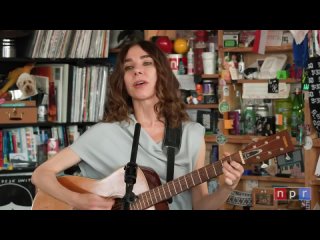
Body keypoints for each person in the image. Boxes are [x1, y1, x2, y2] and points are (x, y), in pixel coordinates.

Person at [31, 40, 244, 210]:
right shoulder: (104, 133)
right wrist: (77, 200)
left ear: (162, 72)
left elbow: (200, 205)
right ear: (123, 81)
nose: (137, 71)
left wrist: (227, 187)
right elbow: (40, 174)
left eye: (147, 63)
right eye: (129, 67)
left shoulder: (191, 135)